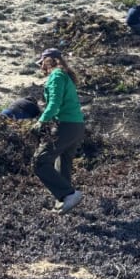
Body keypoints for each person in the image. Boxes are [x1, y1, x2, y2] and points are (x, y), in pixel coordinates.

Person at [31, 48, 86, 214]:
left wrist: (41, 121)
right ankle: (64, 201)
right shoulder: (64, 75)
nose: (41, 67)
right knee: (63, 164)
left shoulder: (56, 75)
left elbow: (54, 103)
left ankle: (69, 194)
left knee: (40, 161)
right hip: (77, 126)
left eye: (42, 63)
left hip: (66, 126)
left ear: (49, 61)